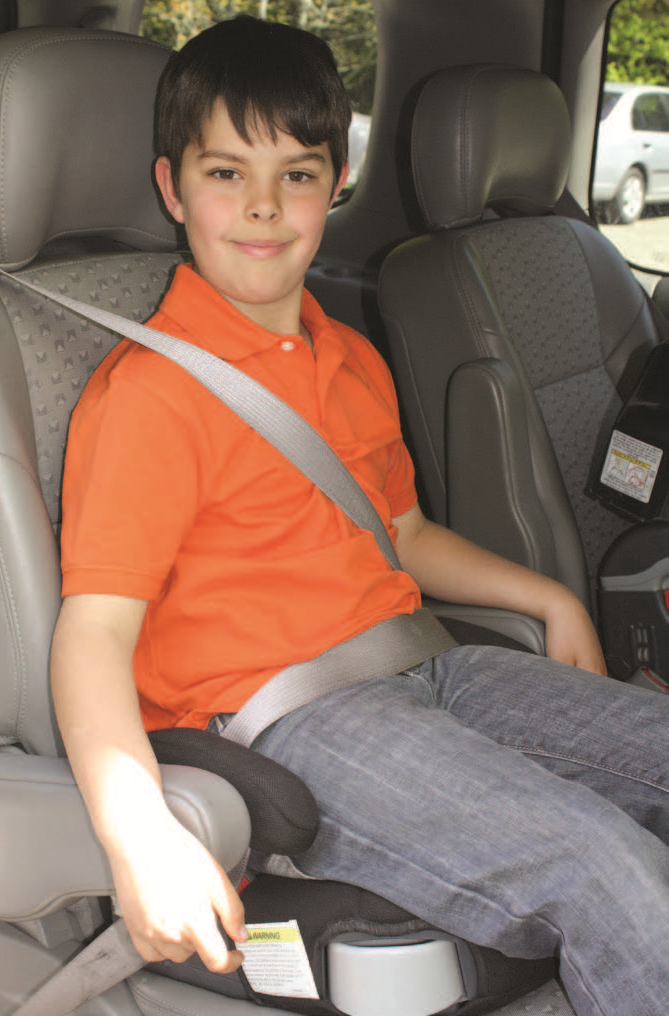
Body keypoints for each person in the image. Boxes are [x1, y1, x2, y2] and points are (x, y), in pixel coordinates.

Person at [50, 16, 669, 1016]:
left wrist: (550, 596)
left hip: (437, 663)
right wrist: (138, 835)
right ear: (172, 187)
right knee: (609, 869)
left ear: (338, 179)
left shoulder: (348, 355)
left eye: (297, 173)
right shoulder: (150, 395)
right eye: (225, 174)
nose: (263, 206)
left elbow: (405, 534)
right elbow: (94, 630)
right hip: (294, 722)